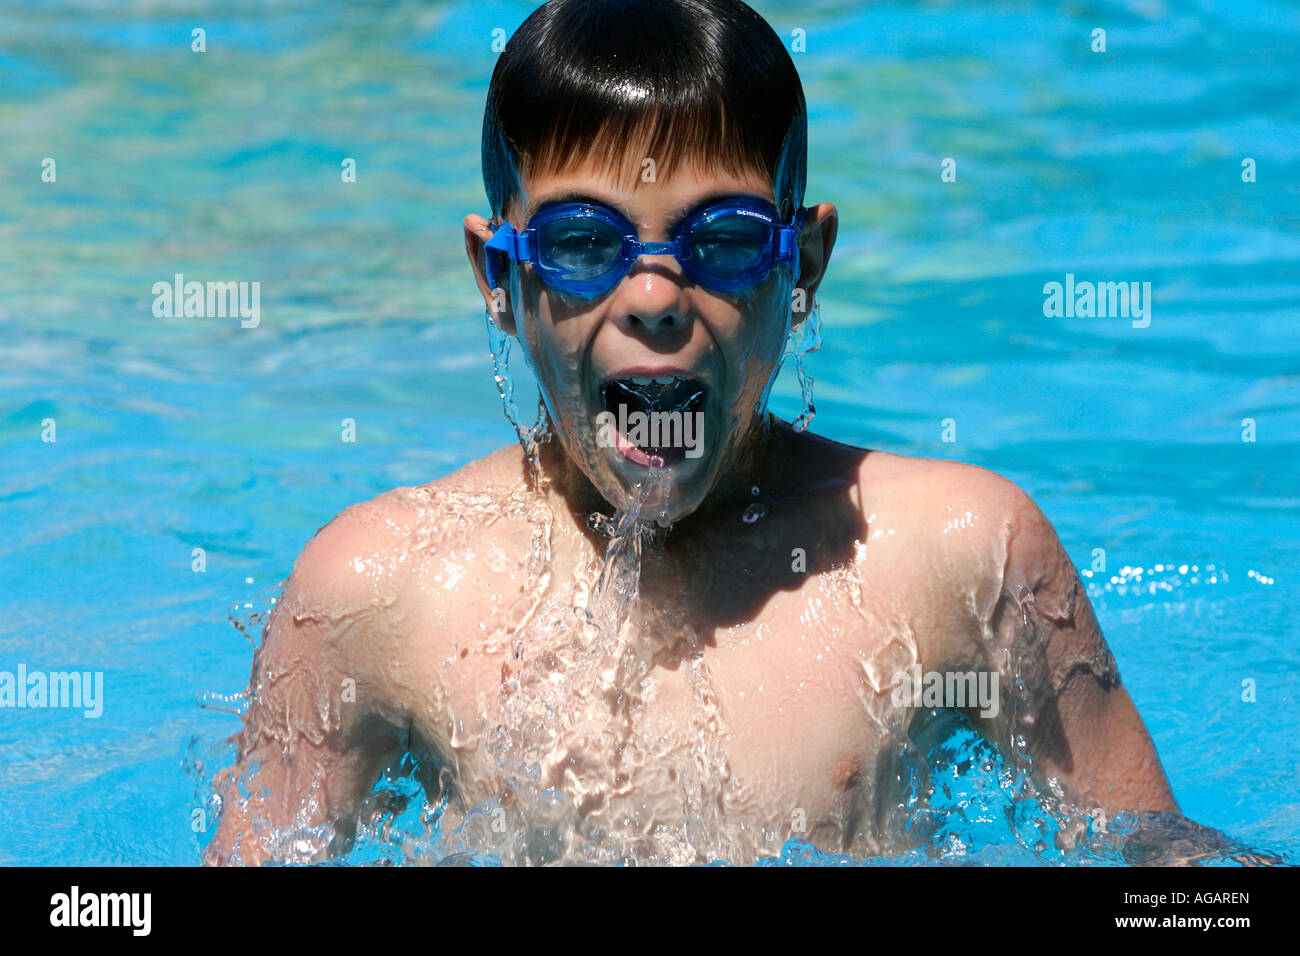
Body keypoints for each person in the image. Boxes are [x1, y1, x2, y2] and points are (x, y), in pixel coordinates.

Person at [204, 0, 1186, 866]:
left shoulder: (961, 553)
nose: (655, 297)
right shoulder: (374, 591)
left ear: (802, 265)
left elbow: (1158, 857)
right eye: (582, 242)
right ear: (496, 275)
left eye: (721, 240)